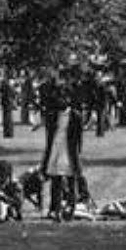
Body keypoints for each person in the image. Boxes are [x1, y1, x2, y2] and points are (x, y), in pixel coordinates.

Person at [40, 83, 84, 222]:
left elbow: (79, 138)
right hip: (56, 148)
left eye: (63, 97)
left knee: (71, 181)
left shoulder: (76, 116)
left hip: (69, 150)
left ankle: (71, 208)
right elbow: (49, 137)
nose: (61, 100)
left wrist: (77, 154)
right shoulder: (52, 115)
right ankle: (56, 210)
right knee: (56, 181)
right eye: (59, 97)